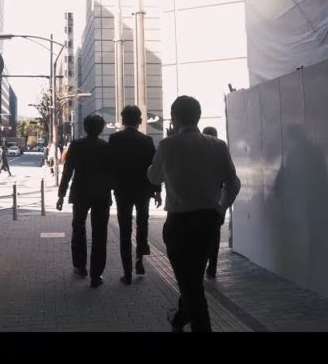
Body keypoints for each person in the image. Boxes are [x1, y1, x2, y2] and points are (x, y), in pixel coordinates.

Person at [148, 96, 240, 333]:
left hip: (179, 223)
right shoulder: (217, 145)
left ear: (175, 117)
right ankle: (179, 318)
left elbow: (153, 177)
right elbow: (233, 182)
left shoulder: (168, 146)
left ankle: (198, 326)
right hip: (208, 221)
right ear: (198, 116)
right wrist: (221, 208)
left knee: (190, 285)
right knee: (193, 279)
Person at [57, 114, 114, 288]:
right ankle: (96, 275)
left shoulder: (76, 145)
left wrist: (61, 194)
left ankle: (80, 266)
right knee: (100, 234)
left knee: (78, 228)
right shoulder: (106, 147)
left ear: (85, 127)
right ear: (101, 128)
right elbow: (112, 172)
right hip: (101, 194)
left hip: (80, 192)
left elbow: (68, 171)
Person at [108, 105, 159, 284]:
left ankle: (127, 272)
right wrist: (157, 191)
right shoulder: (147, 140)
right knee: (142, 224)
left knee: (124, 229)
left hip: (122, 190)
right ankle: (140, 260)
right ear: (140, 121)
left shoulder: (114, 139)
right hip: (143, 190)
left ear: (122, 120)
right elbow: (154, 167)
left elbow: (110, 166)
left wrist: (111, 187)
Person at [201, 127, 224, 278]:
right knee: (215, 235)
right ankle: (212, 266)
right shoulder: (221, 150)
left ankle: (203, 264)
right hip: (217, 202)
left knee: (202, 237)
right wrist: (223, 206)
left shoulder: (198, 154)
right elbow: (230, 180)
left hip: (201, 203)